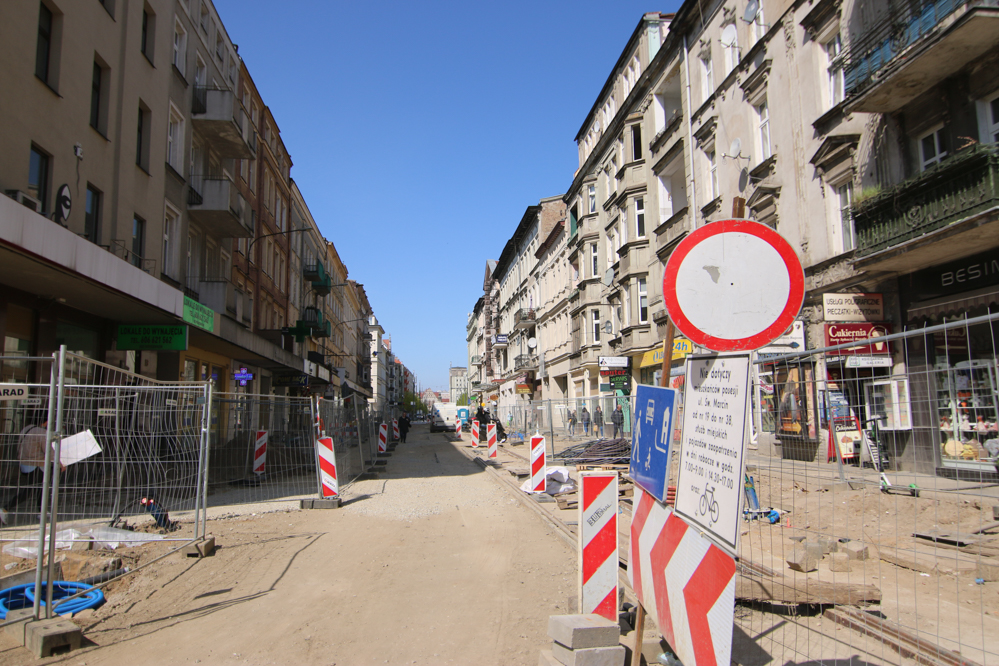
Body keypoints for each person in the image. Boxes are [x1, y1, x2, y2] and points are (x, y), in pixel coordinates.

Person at [0, 420, 49, 525]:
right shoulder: (41, 432)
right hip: (36, 464)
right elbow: (48, 451)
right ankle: (5, 509)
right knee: (29, 491)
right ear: (45, 422)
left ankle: (41, 511)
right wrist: (60, 462)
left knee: (40, 488)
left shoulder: (26, 429)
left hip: (25, 464)